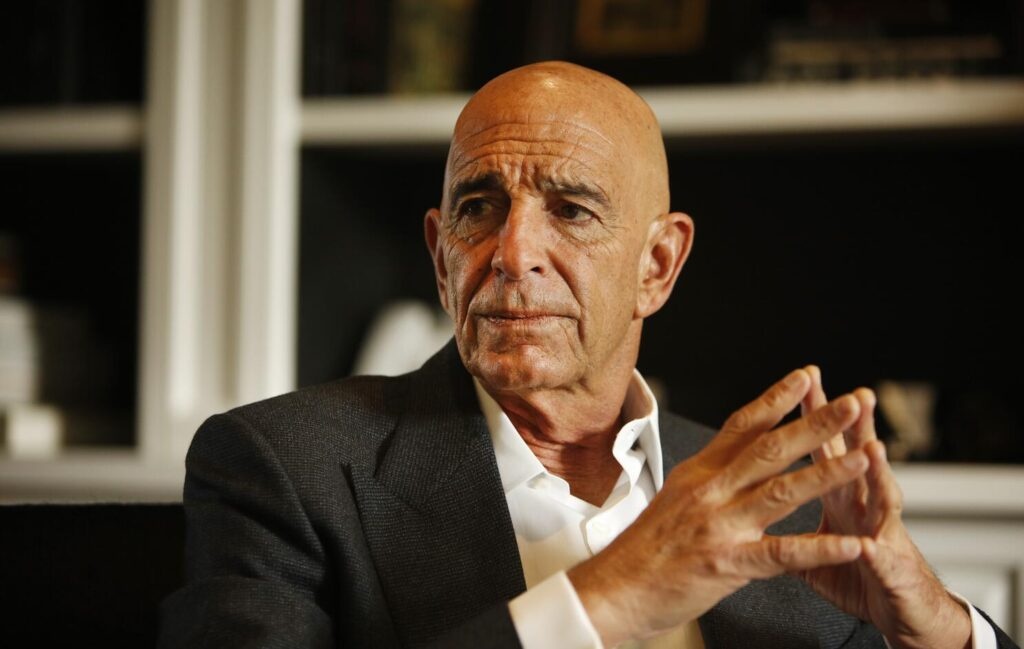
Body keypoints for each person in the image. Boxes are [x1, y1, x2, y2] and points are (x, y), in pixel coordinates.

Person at [158, 62, 1017, 649]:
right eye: (478, 207)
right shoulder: (282, 466)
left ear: (657, 265)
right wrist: (613, 596)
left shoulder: (776, 505)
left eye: (570, 210)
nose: (512, 252)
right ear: (440, 255)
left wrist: (936, 625)